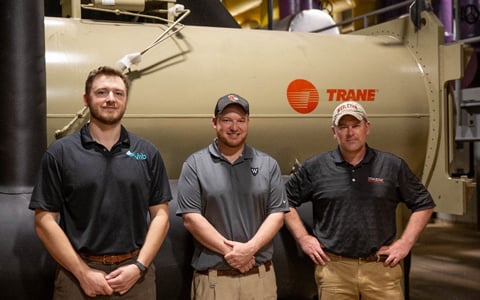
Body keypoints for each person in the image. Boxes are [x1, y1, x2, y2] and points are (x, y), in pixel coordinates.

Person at [29, 66, 172, 299]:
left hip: (136, 277)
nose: (110, 99)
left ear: (126, 100)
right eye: (102, 92)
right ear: (86, 99)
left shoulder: (146, 152)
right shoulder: (61, 153)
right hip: (77, 277)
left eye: (118, 93)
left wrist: (139, 267)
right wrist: (83, 273)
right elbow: (44, 221)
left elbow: (161, 216)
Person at [284, 101, 435, 300]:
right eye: (343, 127)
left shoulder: (391, 166)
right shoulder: (316, 167)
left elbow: (424, 203)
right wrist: (303, 238)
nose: (350, 132)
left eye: (355, 126)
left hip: (381, 270)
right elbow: (282, 200)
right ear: (334, 131)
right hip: (334, 272)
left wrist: (405, 243)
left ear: (367, 128)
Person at [176, 93, 289, 300]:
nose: (234, 127)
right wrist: (235, 253)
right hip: (214, 282)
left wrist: (250, 249)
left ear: (248, 123)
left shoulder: (267, 164)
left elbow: (277, 215)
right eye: (227, 120)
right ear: (214, 122)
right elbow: (191, 219)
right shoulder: (195, 164)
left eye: (240, 120)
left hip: (260, 280)